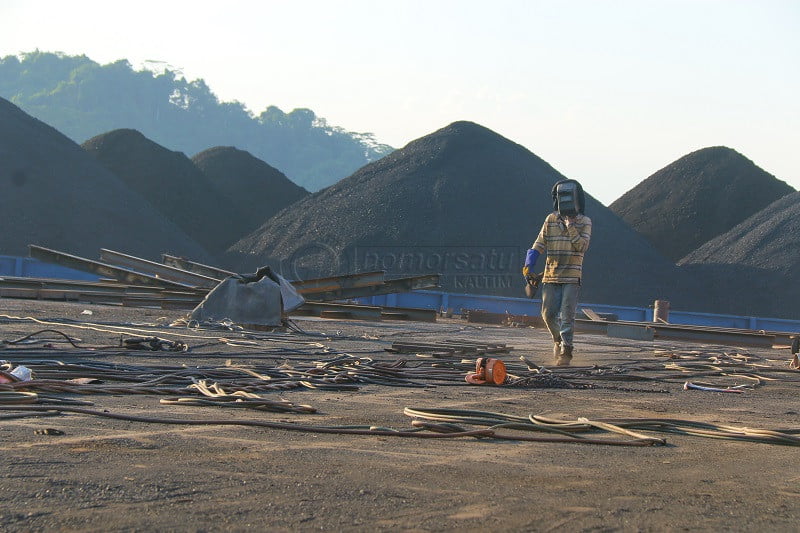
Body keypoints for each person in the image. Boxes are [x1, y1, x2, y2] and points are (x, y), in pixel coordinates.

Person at [522, 179, 592, 366]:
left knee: (567, 315)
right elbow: (539, 244)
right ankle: (558, 341)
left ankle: (566, 351)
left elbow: (582, 246)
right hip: (550, 275)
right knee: (548, 314)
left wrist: (570, 226)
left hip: (571, 276)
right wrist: (529, 264)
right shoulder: (550, 220)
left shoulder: (585, 222)